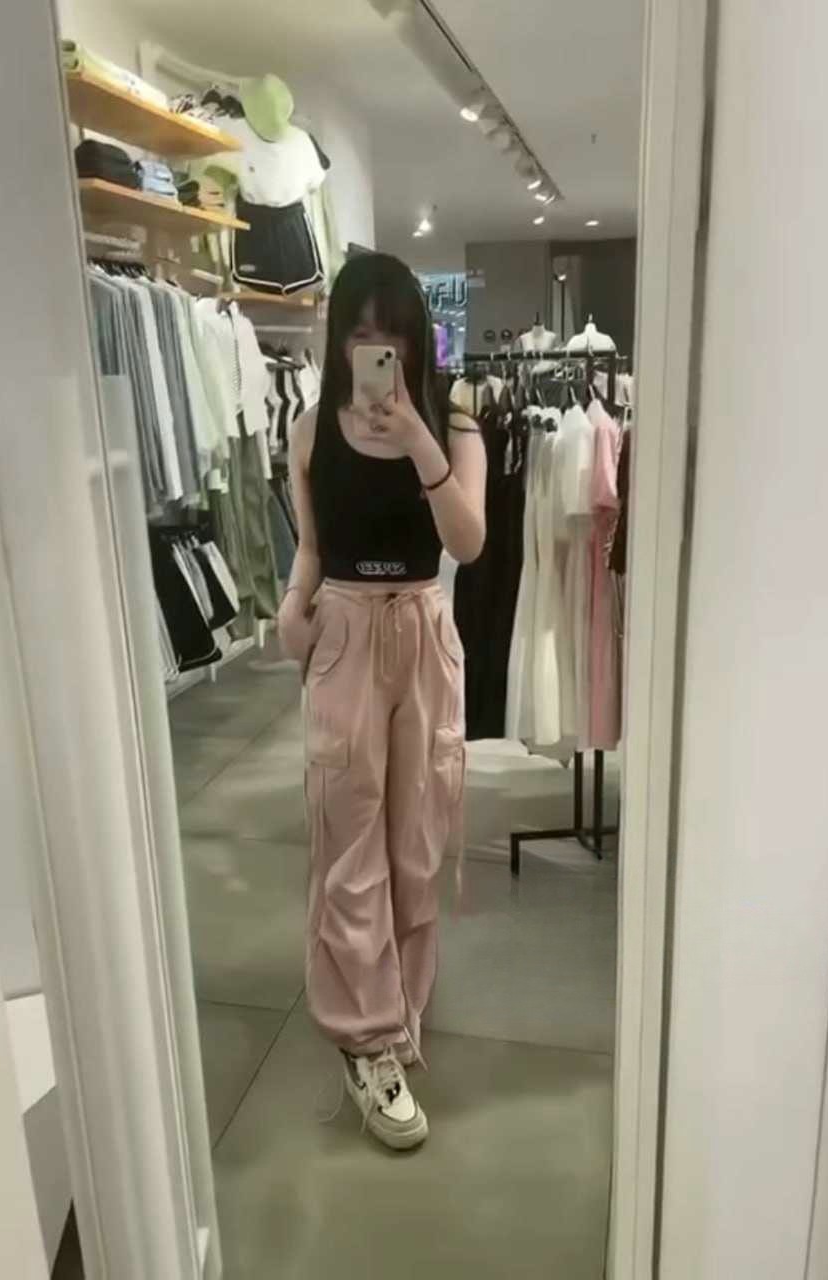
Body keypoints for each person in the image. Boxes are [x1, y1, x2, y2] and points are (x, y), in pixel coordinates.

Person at [279, 252, 486, 1150]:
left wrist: (419, 442)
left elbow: (468, 544)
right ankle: (366, 1036)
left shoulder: (456, 426)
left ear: (416, 344)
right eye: (363, 337)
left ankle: (401, 1005)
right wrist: (292, 603)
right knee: (350, 838)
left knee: (417, 838)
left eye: (394, 338)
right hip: (344, 633)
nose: (378, 354)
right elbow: (312, 547)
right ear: (340, 342)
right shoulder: (307, 432)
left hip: (424, 637)